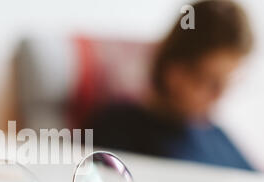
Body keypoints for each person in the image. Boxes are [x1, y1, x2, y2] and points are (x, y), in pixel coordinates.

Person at [89, 0, 255, 171]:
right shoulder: (119, 129)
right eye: (212, 82)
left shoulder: (216, 136)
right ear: (175, 73)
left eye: (228, 82)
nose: (219, 95)